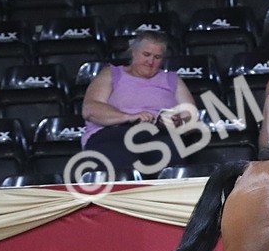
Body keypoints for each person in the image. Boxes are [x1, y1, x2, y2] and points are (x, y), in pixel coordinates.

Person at [81, 30, 196, 174]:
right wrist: (128, 117)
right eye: (146, 55)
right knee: (120, 158)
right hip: (113, 133)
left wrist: (176, 121)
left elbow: (190, 114)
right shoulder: (111, 73)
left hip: (157, 133)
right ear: (134, 52)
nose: (150, 62)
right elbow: (91, 109)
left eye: (157, 57)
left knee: (171, 148)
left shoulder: (172, 79)